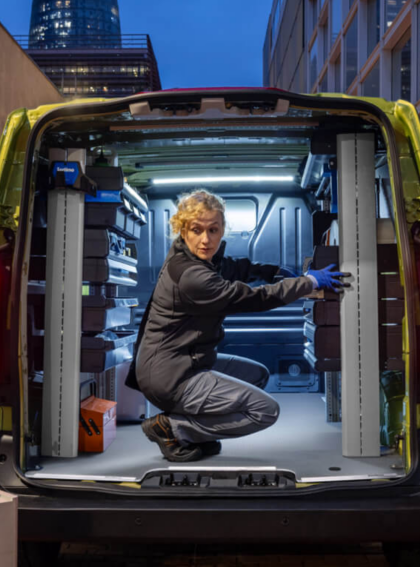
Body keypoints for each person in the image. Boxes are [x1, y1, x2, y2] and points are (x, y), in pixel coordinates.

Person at [133, 189, 349, 462]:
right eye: (196, 229)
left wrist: (272, 271)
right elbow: (254, 298)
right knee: (265, 411)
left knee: (257, 374)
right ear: (182, 229)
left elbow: (231, 267)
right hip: (170, 376)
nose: (205, 239)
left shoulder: (191, 256)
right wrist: (309, 282)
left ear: (223, 229)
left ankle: (197, 433)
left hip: (182, 360)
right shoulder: (190, 276)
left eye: (213, 229)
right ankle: (174, 428)